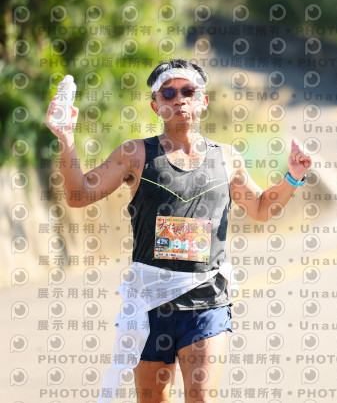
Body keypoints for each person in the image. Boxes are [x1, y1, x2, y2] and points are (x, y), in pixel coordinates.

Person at [45, 59, 312, 403]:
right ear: (155, 105)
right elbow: (79, 195)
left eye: (188, 91)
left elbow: (261, 208)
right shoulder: (135, 154)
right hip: (151, 302)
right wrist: (66, 138)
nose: (179, 99)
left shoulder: (227, 158)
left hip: (207, 300)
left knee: (201, 398)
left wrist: (293, 177)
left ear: (204, 101)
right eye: (168, 94)